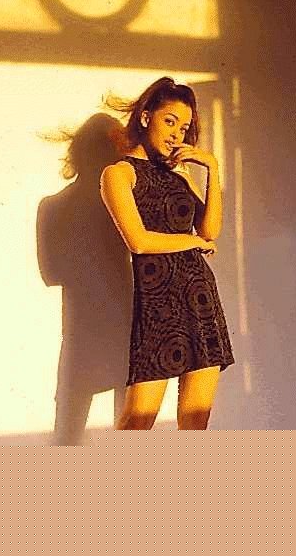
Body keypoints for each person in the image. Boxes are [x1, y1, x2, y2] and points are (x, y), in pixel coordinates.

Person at [99, 77, 235, 430]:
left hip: (200, 298)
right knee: (138, 419)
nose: (177, 134)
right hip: (158, 303)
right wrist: (192, 243)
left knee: (196, 421)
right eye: (170, 121)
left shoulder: (181, 175)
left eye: (184, 127)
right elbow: (139, 242)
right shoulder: (119, 174)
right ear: (146, 117)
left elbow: (209, 231)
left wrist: (213, 168)